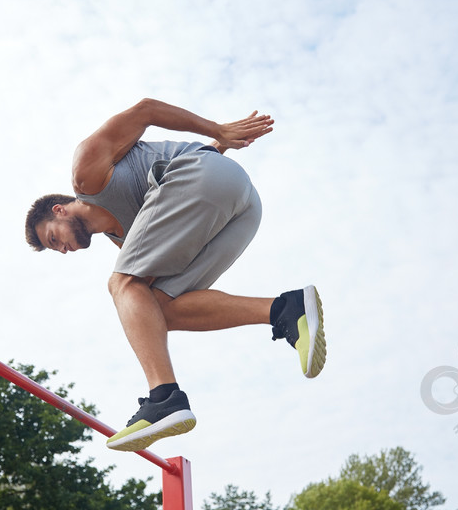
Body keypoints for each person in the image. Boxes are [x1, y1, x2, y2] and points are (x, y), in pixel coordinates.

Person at [25, 98, 326, 452]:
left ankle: (164, 397)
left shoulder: (87, 173)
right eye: (56, 249)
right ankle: (284, 309)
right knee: (156, 307)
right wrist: (218, 150)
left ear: (58, 210)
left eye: (53, 238)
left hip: (205, 173)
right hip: (240, 209)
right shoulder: (125, 242)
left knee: (122, 284)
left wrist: (218, 133)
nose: (62, 249)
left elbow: (146, 111)